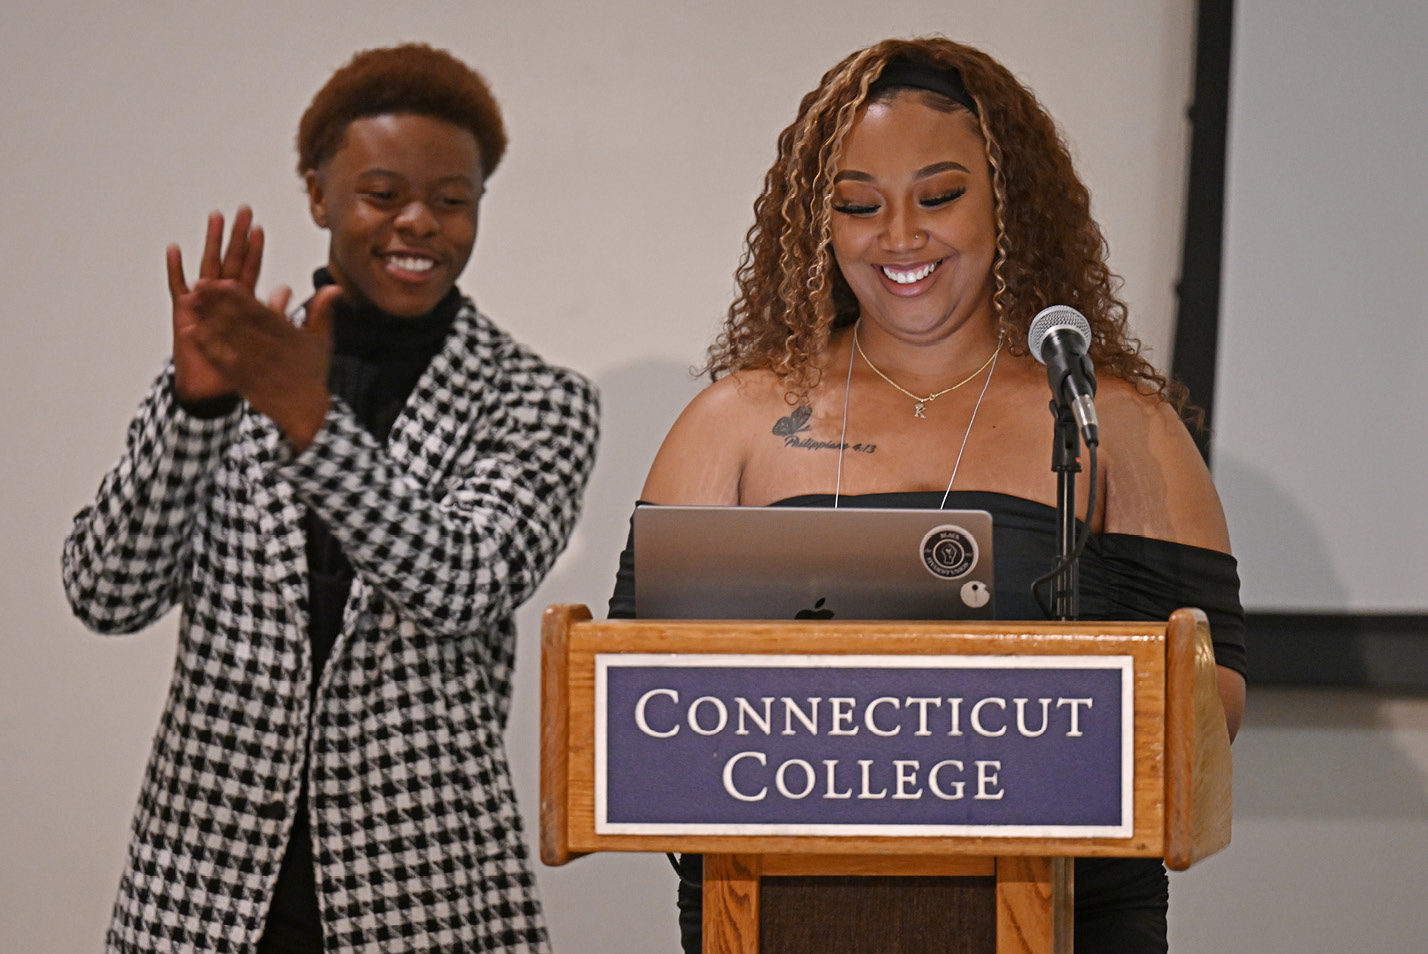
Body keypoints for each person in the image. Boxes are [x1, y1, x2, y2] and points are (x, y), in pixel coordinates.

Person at [608, 36, 1246, 954]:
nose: (900, 236)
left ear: (1007, 204)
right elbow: (634, 702)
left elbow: (1214, 693)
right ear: (819, 225)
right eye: (859, 206)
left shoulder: (1111, 419)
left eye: (939, 197)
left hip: (1069, 912)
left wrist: (1031, 721)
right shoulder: (735, 422)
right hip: (779, 911)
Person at [62, 44, 597, 954]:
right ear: (317, 195)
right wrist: (194, 408)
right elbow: (106, 594)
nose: (420, 223)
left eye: (454, 200)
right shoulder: (236, 359)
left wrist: (313, 425)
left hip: (425, 898)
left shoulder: (539, 399)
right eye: (383, 194)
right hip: (200, 889)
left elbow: (461, 585)